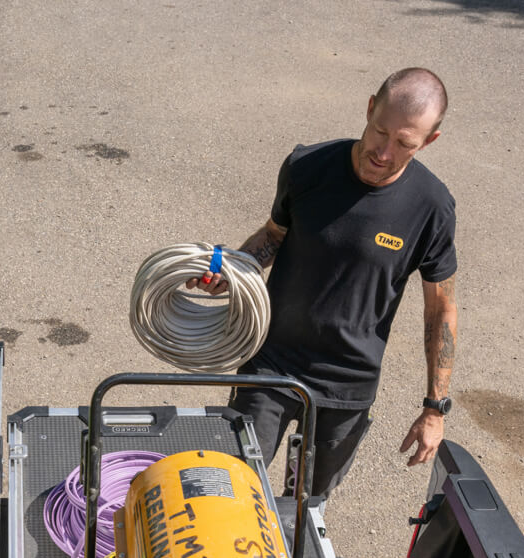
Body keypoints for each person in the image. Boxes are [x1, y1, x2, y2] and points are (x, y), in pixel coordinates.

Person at [190, 68, 458, 498]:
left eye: (404, 143)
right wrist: (236, 271)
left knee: (305, 508)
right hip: (271, 364)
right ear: (370, 108)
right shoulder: (307, 166)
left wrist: (434, 408)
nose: (384, 153)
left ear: (428, 142)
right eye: (379, 131)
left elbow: (440, 308)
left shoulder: (431, 207)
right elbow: (273, 235)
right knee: (231, 491)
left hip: (346, 387)